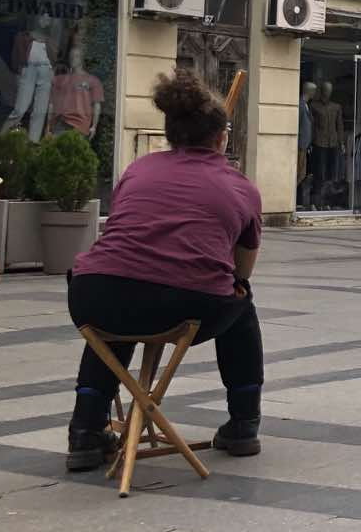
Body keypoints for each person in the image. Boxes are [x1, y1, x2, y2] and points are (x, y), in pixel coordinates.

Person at [65, 71, 266, 469]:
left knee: (116, 315)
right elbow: (242, 270)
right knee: (241, 301)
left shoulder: (138, 170)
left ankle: (85, 431)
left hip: (93, 295)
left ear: (171, 133)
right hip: (187, 304)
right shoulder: (241, 187)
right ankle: (244, 423)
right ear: (221, 138)